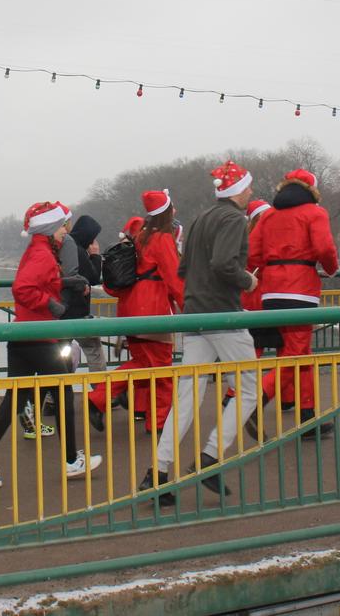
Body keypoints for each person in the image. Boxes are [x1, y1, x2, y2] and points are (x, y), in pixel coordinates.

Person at [141, 162, 259, 503]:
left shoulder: (200, 219)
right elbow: (224, 264)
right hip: (223, 315)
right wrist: (248, 280)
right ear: (237, 190)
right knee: (248, 389)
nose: (251, 192)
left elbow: (182, 268)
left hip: (193, 315)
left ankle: (158, 474)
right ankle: (210, 456)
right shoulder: (235, 219)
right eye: (248, 187)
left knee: (186, 397)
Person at [0, 201, 101, 488]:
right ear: (51, 229)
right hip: (40, 337)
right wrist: (51, 304)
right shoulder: (43, 254)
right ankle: (70, 462)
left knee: (13, 401)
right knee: (64, 392)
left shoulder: (36, 250)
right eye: (62, 227)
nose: (66, 232)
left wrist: (69, 282)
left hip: (24, 336)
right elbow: (24, 288)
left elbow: (38, 282)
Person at [247, 169, 339, 437]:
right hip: (300, 288)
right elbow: (324, 249)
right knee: (296, 354)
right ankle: (255, 401)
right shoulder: (314, 212)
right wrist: (330, 269)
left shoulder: (269, 216)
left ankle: (307, 417)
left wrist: (271, 268)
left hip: (271, 289)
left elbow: (252, 253)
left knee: (300, 353)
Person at [87, 194, 184, 432]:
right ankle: (158, 423)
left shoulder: (141, 236)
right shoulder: (162, 239)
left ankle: (102, 398)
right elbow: (174, 277)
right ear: (167, 211)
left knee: (143, 363)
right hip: (151, 309)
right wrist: (191, 307)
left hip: (131, 307)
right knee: (161, 369)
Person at [59, 214, 105, 375]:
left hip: (62, 313)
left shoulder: (65, 246)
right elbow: (93, 278)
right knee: (94, 351)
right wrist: (95, 255)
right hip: (78, 313)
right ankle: (101, 392)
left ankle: (57, 392)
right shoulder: (78, 250)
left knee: (60, 355)